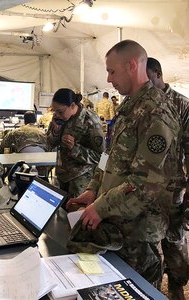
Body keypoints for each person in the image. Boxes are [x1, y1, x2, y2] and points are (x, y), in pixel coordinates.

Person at [66, 40, 181, 288]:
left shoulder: (155, 112)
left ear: (131, 65)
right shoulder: (130, 107)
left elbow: (147, 183)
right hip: (117, 225)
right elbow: (109, 157)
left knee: (136, 289)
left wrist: (102, 206)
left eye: (112, 71)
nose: (108, 79)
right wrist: (93, 189)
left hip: (139, 230)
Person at [147, 57, 189, 299]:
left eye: (148, 78)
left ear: (158, 73)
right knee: (148, 241)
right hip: (142, 187)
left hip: (172, 187)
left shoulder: (181, 104)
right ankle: (150, 288)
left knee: (174, 240)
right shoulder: (137, 103)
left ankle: (176, 285)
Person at [46, 88, 105, 201]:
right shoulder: (58, 117)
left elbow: (101, 157)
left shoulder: (90, 120)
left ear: (72, 105)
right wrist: (55, 132)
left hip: (81, 178)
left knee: (75, 214)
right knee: (61, 213)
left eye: (60, 112)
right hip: (61, 175)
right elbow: (48, 144)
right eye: (54, 111)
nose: (56, 115)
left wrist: (74, 148)